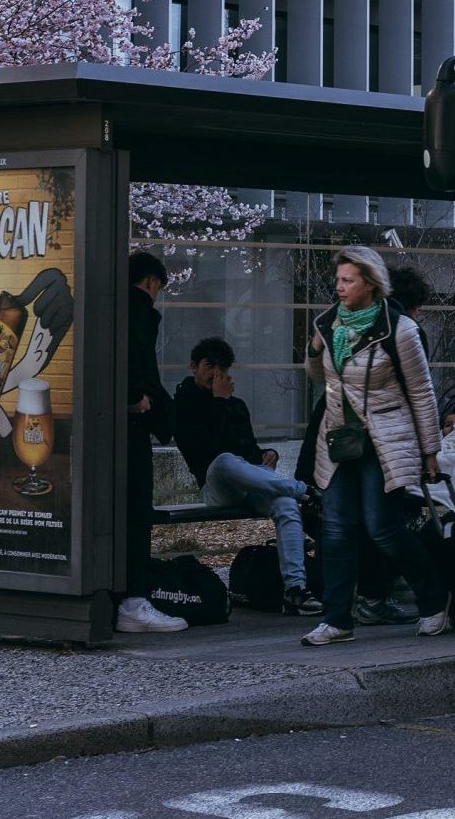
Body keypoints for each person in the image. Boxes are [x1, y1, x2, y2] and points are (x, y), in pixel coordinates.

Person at [299, 245, 449, 647]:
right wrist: (314, 349)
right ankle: (336, 620)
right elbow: (318, 376)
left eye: (347, 280)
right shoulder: (328, 324)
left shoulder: (398, 329)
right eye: (338, 280)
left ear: (370, 283)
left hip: (385, 439)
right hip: (340, 440)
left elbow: (421, 393)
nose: (339, 287)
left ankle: (435, 601)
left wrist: (430, 452)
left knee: (382, 528)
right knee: (334, 529)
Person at [172, 336, 320, 615]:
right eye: (209, 366)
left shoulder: (235, 405)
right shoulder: (183, 404)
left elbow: (248, 450)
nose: (216, 374)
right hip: (215, 485)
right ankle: (304, 490)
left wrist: (268, 455)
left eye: (222, 368)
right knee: (225, 460)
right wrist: (218, 403)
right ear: (194, 367)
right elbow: (202, 451)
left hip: (249, 484)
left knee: (286, 503)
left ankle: (296, 589)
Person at [116, 251, 186, 635]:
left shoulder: (106, 304)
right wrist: (137, 396)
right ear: (152, 282)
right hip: (130, 423)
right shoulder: (138, 308)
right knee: (137, 507)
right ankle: (133, 599)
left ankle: (119, 597)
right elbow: (136, 358)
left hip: (104, 427)